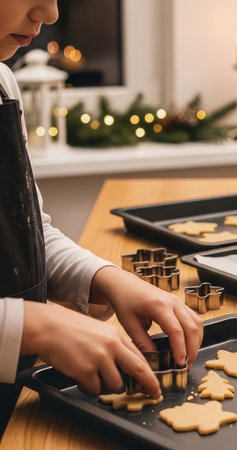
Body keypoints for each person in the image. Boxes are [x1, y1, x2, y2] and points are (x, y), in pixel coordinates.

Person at [0, 0, 203, 438]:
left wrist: (103, 277)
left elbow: (25, 233)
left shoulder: (2, 82)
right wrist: (34, 325)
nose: (50, 13)